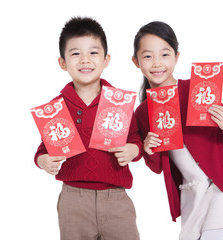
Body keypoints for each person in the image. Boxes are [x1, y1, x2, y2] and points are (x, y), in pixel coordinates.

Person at [132, 21, 223, 240]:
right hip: (194, 190)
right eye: (148, 56)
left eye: (165, 55)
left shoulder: (196, 88)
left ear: (176, 57)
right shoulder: (142, 112)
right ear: (136, 61)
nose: (157, 63)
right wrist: (149, 149)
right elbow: (157, 167)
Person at [34, 17, 142, 240]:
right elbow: (44, 148)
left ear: (106, 60)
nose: (85, 60)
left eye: (93, 53)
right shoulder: (56, 107)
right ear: (62, 63)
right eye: (75, 54)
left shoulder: (118, 102)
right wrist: (44, 161)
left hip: (116, 197)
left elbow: (135, 138)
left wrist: (133, 150)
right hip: (74, 199)